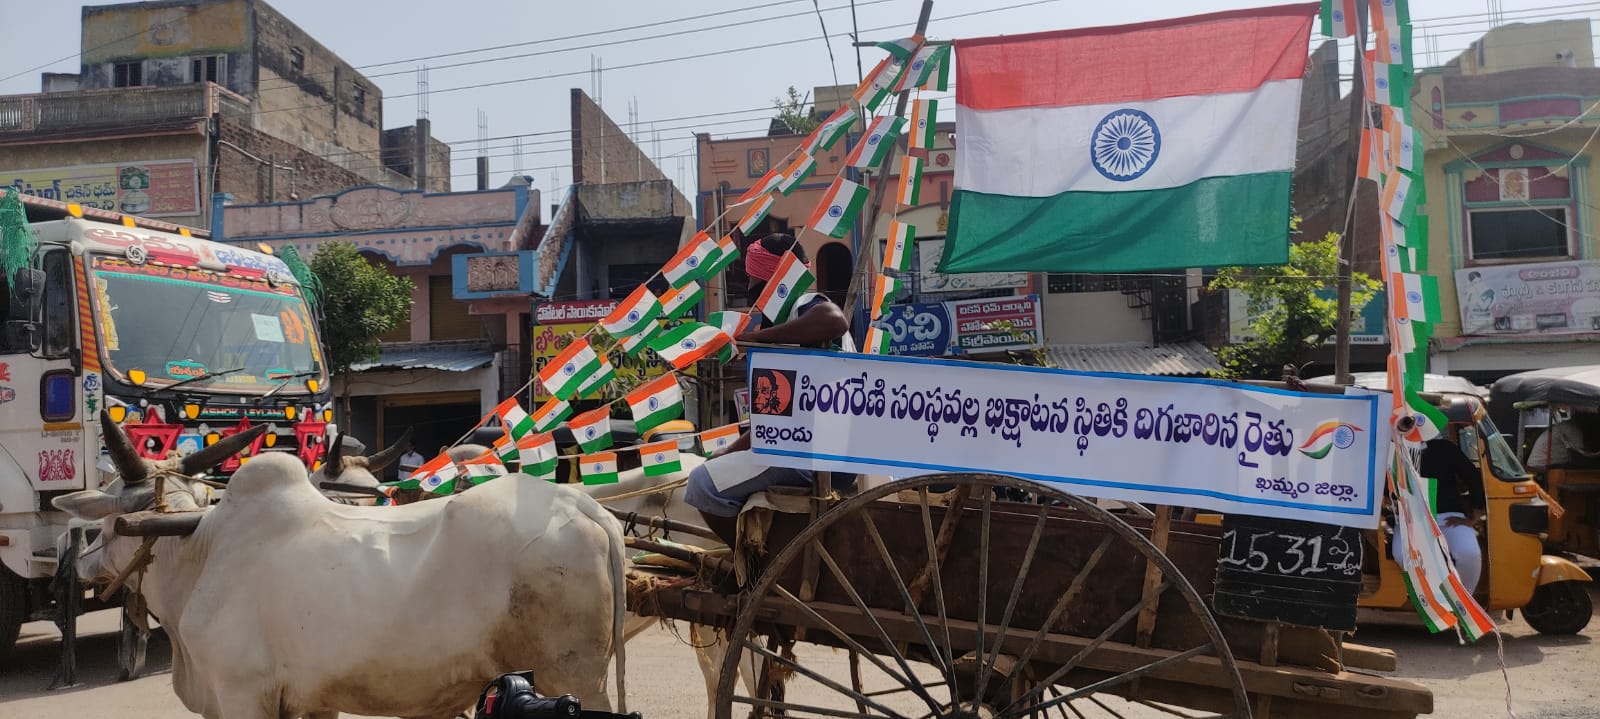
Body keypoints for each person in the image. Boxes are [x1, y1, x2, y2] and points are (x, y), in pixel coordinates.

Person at [684, 231, 855, 545]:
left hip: (815, 456)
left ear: (776, 281)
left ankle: (753, 568)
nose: (752, 293)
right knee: (718, 466)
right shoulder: (793, 329)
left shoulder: (808, 303)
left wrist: (757, 339)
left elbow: (836, 320)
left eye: (755, 282)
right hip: (807, 449)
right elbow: (778, 419)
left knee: (700, 485)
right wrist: (727, 451)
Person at [1413, 436, 1487, 593]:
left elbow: (1472, 475)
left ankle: (1464, 603)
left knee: (1469, 553)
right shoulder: (1391, 450)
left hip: (1448, 516)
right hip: (1410, 520)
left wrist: (1475, 515)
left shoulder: (1444, 448)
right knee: (1401, 554)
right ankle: (1428, 600)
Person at [1526, 405, 1600, 473]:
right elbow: (1581, 457)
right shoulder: (1571, 429)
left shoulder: (1567, 426)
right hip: (1542, 470)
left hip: (1538, 467)